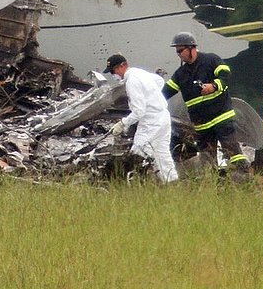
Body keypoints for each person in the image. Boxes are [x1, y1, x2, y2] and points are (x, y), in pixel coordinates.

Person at [162, 32, 250, 180]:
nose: (179, 55)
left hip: (222, 119)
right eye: (177, 51)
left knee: (233, 155)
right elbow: (165, 93)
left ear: (192, 48)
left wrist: (214, 86)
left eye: (180, 50)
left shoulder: (210, 60)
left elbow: (225, 76)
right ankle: (216, 187)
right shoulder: (180, 74)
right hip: (202, 127)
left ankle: (244, 183)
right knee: (208, 163)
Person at [105, 53, 177, 183]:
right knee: (162, 153)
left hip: (151, 121)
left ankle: (137, 184)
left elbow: (139, 111)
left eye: (113, 71)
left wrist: (122, 124)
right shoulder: (140, 73)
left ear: (123, 66)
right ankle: (172, 182)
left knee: (138, 151)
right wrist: (153, 96)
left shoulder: (131, 81)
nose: (113, 75)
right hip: (163, 116)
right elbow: (160, 81)